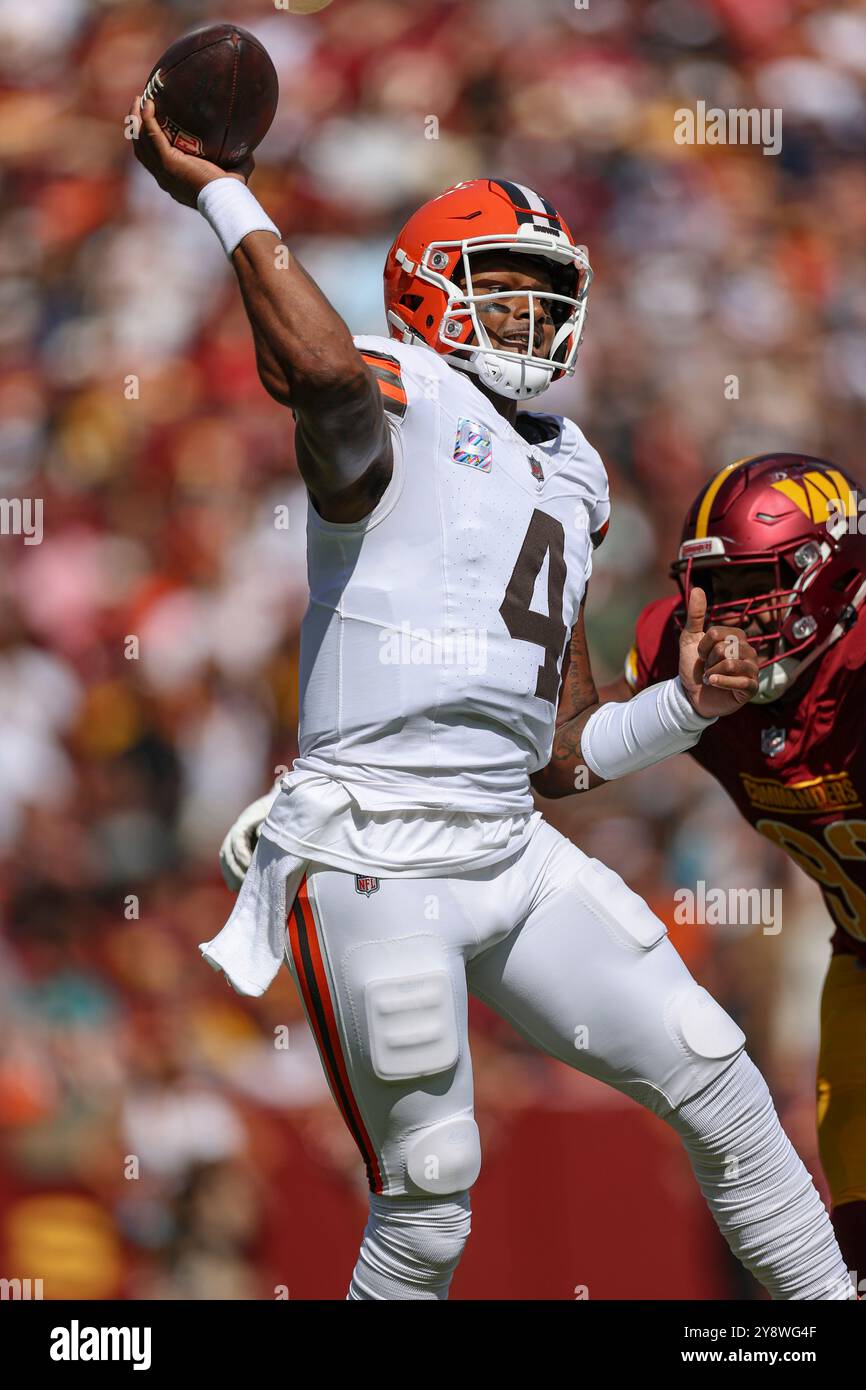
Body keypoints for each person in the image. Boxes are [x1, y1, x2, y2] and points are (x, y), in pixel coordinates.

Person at [130, 96, 853, 1301]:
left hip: (505, 846)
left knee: (715, 1073)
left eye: (546, 287)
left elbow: (558, 755)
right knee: (429, 1203)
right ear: (423, 289)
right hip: (374, 850)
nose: (536, 311)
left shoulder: (572, 464)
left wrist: (689, 700)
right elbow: (313, 372)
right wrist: (221, 189)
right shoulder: (391, 394)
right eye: (504, 281)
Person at [570, 452, 865, 1278]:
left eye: (751, 591)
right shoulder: (680, 654)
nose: (724, 622)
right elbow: (572, 764)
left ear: (831, 576)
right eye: (712, 592)